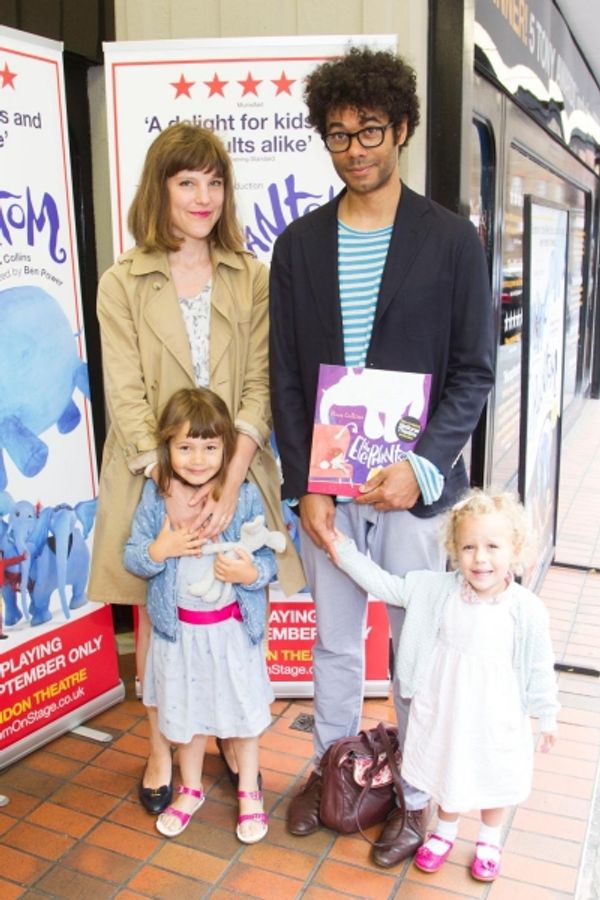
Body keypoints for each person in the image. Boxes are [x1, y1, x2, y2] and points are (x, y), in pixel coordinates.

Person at [269, 45, 495, 865]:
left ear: (400, 128)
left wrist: (422, 468)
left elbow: (473, 372)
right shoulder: (297, 247)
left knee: (415, 648)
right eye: (338, 135)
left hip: (415, 494)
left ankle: (415, 795)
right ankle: (336, 772)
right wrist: (306, 486)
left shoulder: (450, 240)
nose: (355, 148)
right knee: (332, 643)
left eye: (370, 131)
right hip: (329, 491)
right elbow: (286, 379)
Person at [88, 123, 304, 815]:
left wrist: (231, 474)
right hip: (152, 473)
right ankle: (164, 744)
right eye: (187, 182)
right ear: (161, 188)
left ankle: (241, 750)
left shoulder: (252, 276)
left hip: (234, 465)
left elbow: (262, 384)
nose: (203, 196)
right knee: (161, 612)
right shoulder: (122, 282)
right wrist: (171, 484)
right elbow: (124, 391)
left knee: (241, 602)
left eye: (215, 182)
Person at [331, 489, 559, 882]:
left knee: (494, 772)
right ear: (454, 549)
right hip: (450, 705)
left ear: (515, 548)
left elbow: (539, 665)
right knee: (448, 764)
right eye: (468, 546)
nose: (480, 558)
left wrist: (548, 715)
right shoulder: (436, 591)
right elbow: (386, 585)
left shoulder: (526, 610)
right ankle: (445, 831)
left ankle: (489, 839)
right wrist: (342, 549)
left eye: (492, 546)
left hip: (497, 711)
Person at [124, 387, 273, 842]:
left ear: (226, 448)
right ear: (166, 447)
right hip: (179, 636)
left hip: (231, 634)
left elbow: (266, 561)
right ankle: (189, 787)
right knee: (184, 715)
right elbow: (134, 557)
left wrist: (249, 572)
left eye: (210, 447)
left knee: (242, 715)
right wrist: (159, 549)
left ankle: (249, 789)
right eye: (185, 447)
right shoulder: (156, 497)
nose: (197, 458)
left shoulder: (242, 497)